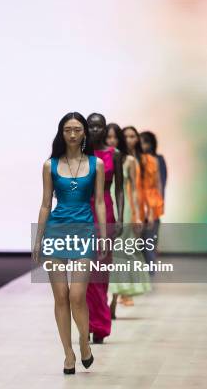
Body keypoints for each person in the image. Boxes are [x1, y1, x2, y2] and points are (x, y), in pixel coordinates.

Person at [33, 112, 104, 374]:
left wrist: (104, 235)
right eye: (67, 130)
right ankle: (68, 353)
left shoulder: (96, 164)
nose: (72, 134)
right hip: (56, 231)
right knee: (60, 296)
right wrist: (38, 239)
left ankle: (84, 343)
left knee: (77, 296)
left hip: (84, 231)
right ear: (61, 133)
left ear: (84, 132)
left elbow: (98, 201)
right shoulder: (49, 165)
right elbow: (44, 203)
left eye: (77, 129)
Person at [85, 113, 123, 344]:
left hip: (106, 210)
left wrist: (119, 216)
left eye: (99, 126)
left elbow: (119, 188)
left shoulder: (114, 154)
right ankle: (89, 323)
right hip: (83, 210)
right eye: (91, 125)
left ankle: (99, 324)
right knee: (85, 270)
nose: (95, 129)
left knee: (101, 269)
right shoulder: (80, 153)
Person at [105, 124, 151, 316]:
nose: (112, 141)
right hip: (106, 205)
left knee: (121, 255)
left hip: (124, 210)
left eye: (115, 138)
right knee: (107, 255)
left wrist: (138, 214)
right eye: (109, 137)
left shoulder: (130, 160)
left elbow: (134, 190)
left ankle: (115, 299)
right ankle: (108, 299)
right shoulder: (100, 159)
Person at [123, 127, 164, 272]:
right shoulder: (118, 158)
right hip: (124, 206)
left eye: (133, 136)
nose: (129, 140)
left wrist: (150, 211)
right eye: (126, 136)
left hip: (142, 206)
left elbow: (152, 187)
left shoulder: (149, 161)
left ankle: (143, 280)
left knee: (146, 246)